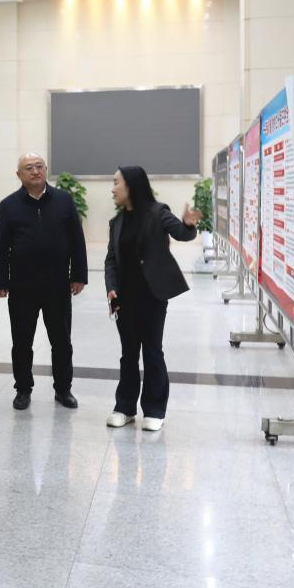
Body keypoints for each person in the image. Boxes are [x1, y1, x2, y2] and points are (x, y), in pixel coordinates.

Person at [104, 165, 200, 432]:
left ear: (131, 185)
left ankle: (155, 409)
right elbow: (111, 259)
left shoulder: (158, 213)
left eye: (116, 182)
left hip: (152, 295)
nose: (112, 189)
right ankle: (125, 407)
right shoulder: (116, 222)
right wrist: (111, 287)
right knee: (128, 353)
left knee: (152, 350)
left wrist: (189, 224)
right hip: (124, 297)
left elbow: (182, 233)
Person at [0, 153, 88, 411]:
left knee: (61, 340)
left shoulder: (64, 200)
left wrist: (79, 275)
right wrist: (0, 281)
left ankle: (63, 389)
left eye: (39, 166)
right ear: (19, 175)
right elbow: (0, 246)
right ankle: (23, 389)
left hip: (57, 284)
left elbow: (77, 240)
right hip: (22, 285)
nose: (35, 171)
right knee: (22, 341)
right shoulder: (9, 205)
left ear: (46, 169)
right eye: (28, 168)